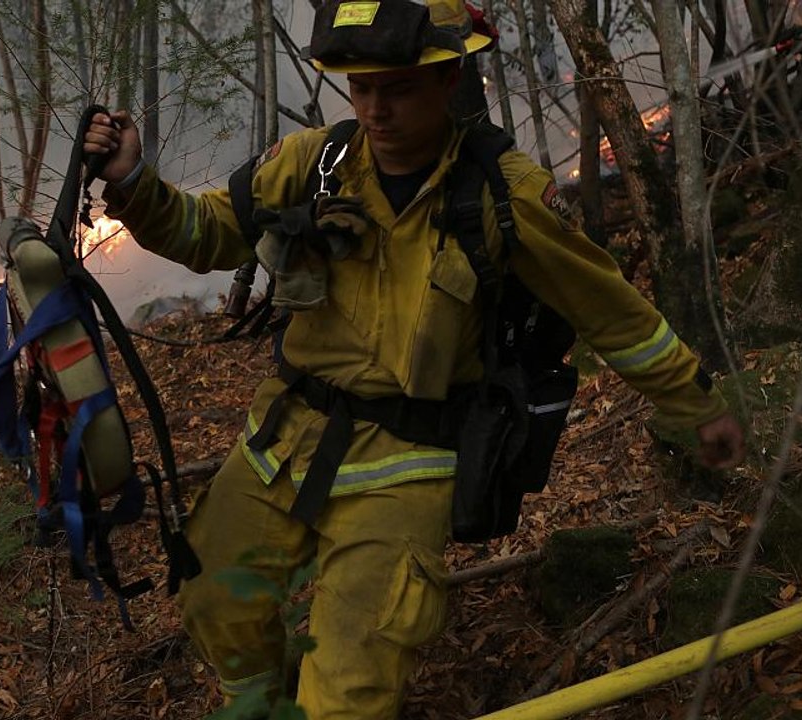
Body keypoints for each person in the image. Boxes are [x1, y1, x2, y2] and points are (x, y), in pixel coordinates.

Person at [83, 1, 746, 717]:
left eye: (396, 88)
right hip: (286, 442)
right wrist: (133, 182)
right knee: (211, 593)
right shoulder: (315, 163)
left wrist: (695, 403)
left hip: (406, 466)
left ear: (448, 78)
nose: (375, 110)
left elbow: (611, 313)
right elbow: (207, 231)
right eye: (360, 88)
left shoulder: (503, 195)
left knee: (348, 690)